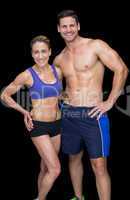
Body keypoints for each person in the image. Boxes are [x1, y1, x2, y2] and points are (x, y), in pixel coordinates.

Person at [53, 10, 129, 200]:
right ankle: (78, 197)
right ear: (58, 29)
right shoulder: (59, 59)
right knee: (73, 157)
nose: (68, 29)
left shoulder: (95, 46)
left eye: (72, 25)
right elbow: (54, 88)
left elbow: (122, 69)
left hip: (93, 114)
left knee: (99, 165)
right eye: (64, 26)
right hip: (69, 114)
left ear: (78, 26)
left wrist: (110, 101)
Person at [1, 35, 63, 200]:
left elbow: (59, 96)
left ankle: (39, 194)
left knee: (45, 168)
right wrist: (24, 111)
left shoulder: (57, 71)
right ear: (32, 54)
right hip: (39, 126)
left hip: (58, 125)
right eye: (36, 52)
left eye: (43, 51)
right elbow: (5, 95)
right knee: (55, 169)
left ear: (50, 52)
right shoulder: (27, 75)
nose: (40, 55)